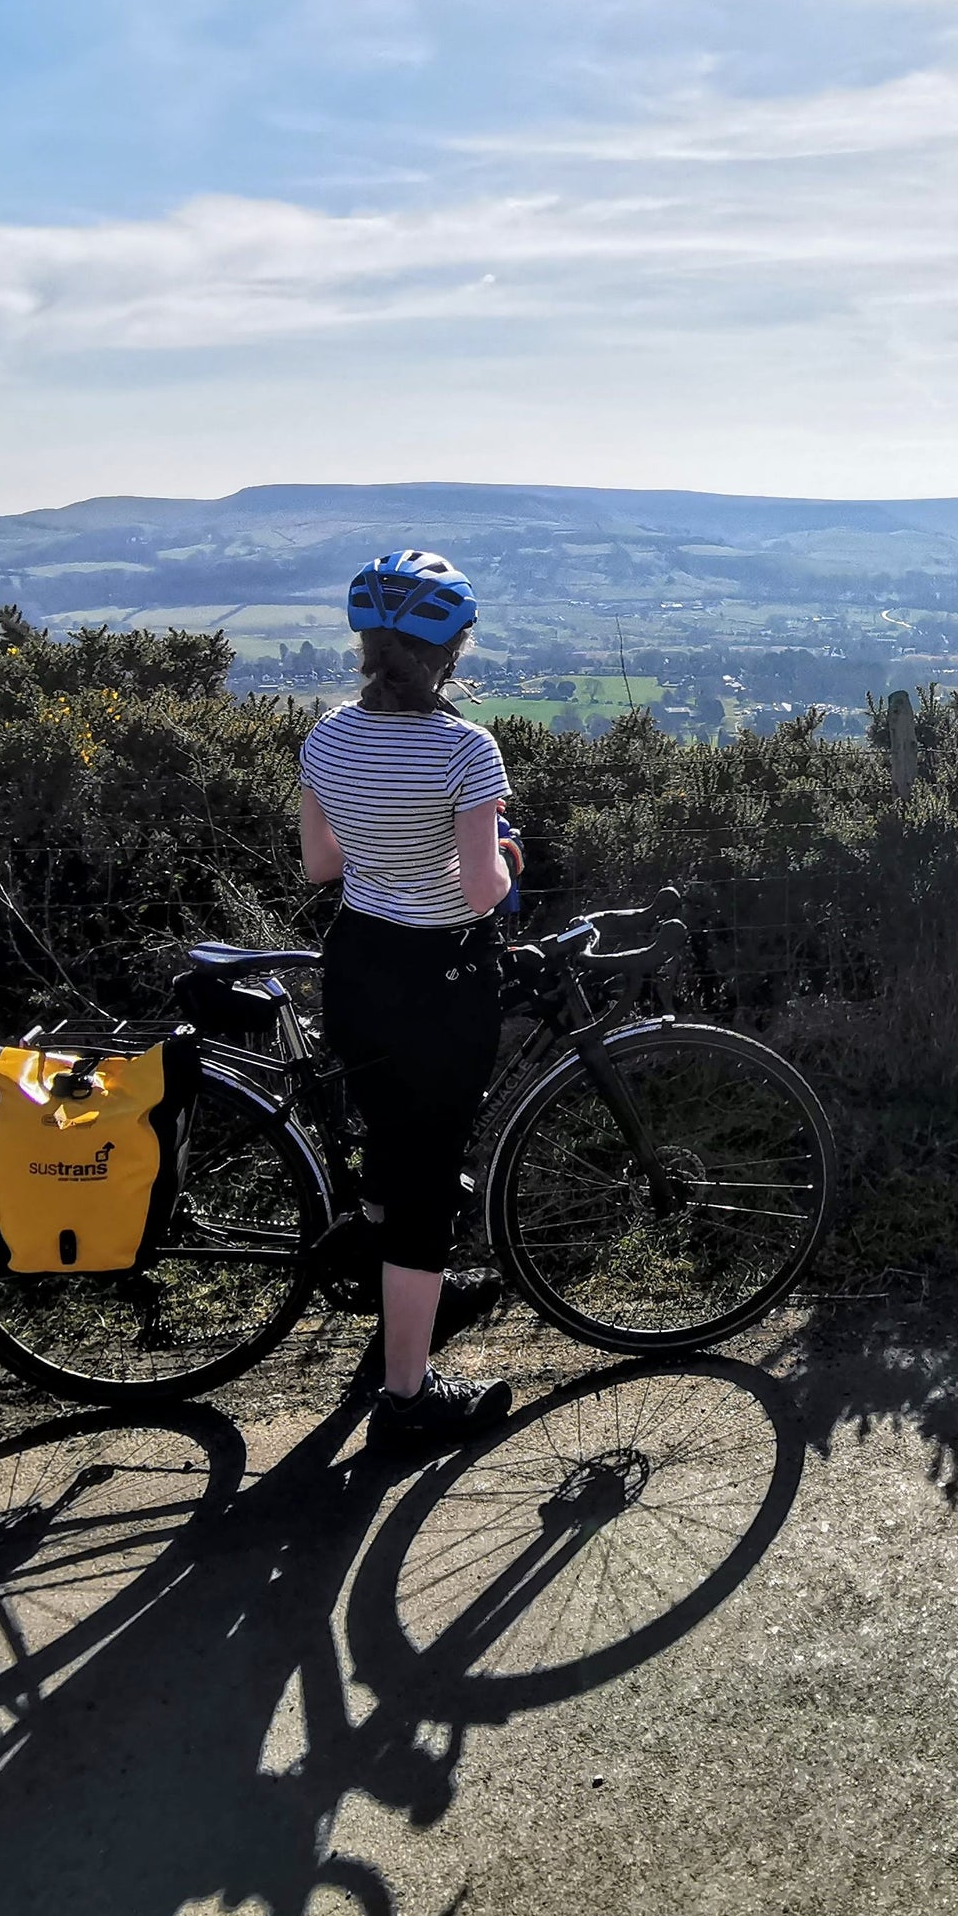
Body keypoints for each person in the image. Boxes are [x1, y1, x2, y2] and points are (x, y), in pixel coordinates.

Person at [298, 549, 525, 1454]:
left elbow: (322, 866)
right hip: (440, 982)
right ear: (450, 650)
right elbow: (479, 893)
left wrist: (387, 850)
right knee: (425, 1183)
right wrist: (510, 858)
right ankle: (405, 1401)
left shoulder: (326, 736)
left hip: (356, 966)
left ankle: (408, 1302)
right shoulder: (467, 749)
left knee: (396, 1153)